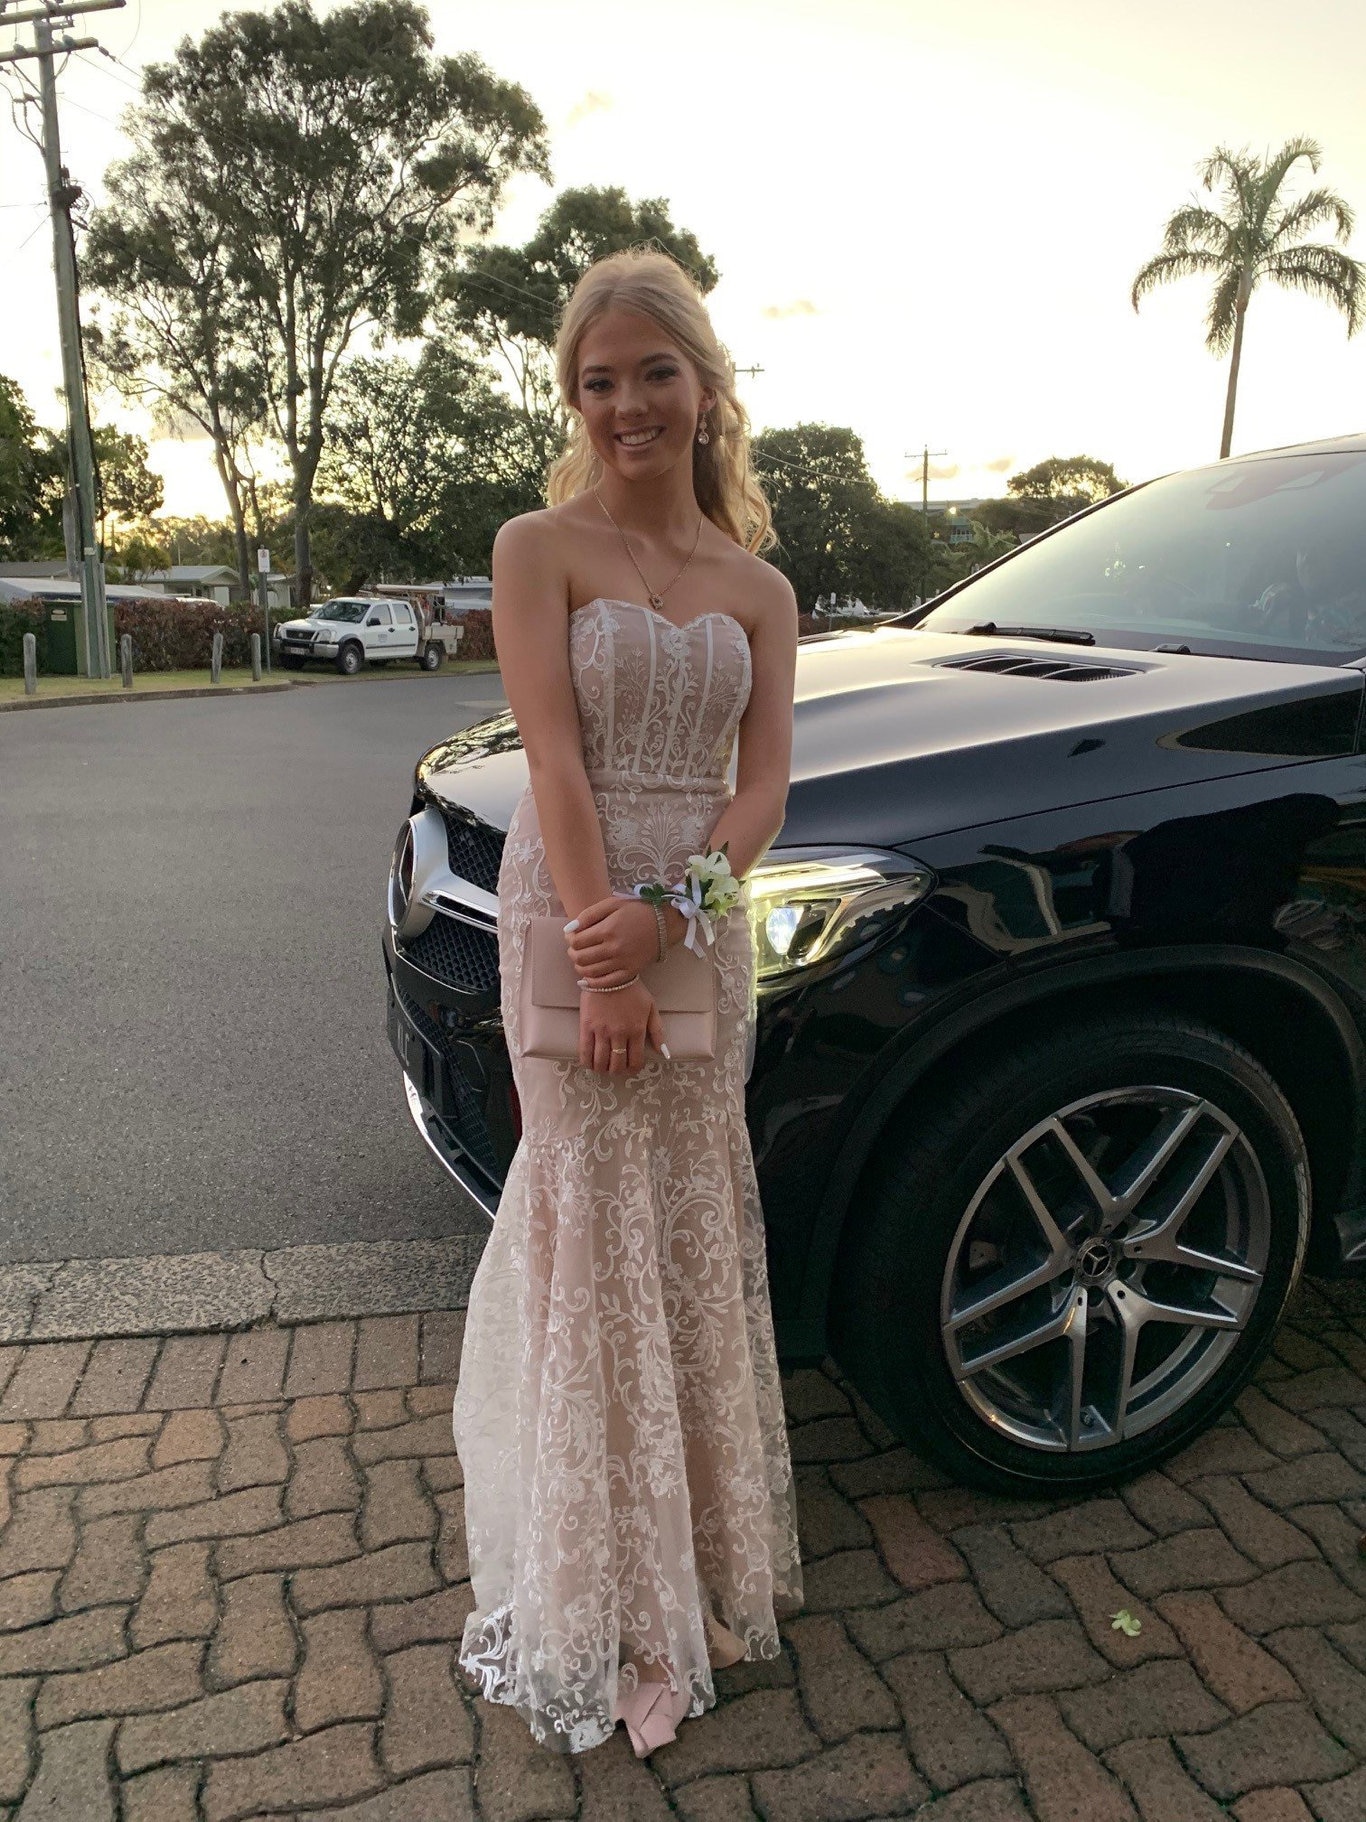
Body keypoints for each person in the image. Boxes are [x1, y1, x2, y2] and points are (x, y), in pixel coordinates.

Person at [452, 246, 803, 1758]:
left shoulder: (760, 587)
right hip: (577, 899)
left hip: (700, 918)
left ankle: (702, 1573)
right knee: (590, 1233)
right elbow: (550, 757)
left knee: (685, 1226)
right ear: (574, 398)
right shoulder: (539, 544)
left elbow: (767, 784)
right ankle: (600, 1598)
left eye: (653, 373)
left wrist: (680, 916)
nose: (626, 405)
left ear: (707, 387)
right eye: (597, 382)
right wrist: (606, 945)